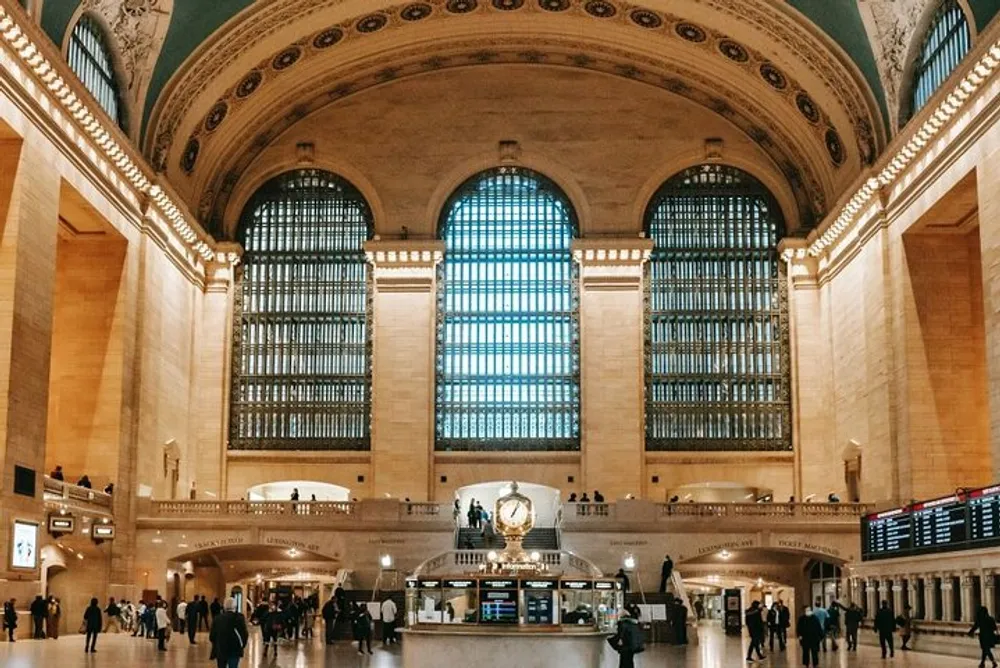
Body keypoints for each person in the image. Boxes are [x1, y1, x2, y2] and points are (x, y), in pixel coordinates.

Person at [210, 597, 248, 668]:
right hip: (234, 649)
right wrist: (242, 646)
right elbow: (244, 634)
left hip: (221, 649)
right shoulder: (239, 618)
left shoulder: (217, 618)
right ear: (235, 606)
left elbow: (212, 636)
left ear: (224, 607)